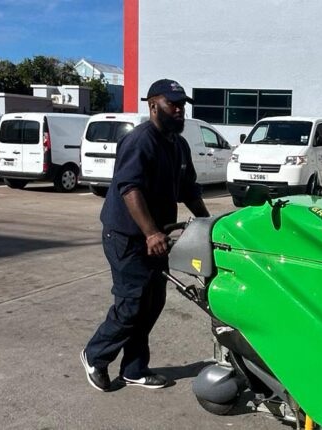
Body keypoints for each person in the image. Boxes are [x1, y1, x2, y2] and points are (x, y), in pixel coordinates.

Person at [81, 79, 210, 391]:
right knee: (132, 303)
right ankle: (95, 355)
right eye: (172, 104)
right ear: (153, 106)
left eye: (182, 105)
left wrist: (208, 224)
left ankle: (134, 369)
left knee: (152, 303)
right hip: (127, 236)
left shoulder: (178, 145)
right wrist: (151, 233)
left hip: (158, 238)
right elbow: (129, 188)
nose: (179, 110)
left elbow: (189, 190)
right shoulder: (140, 140)